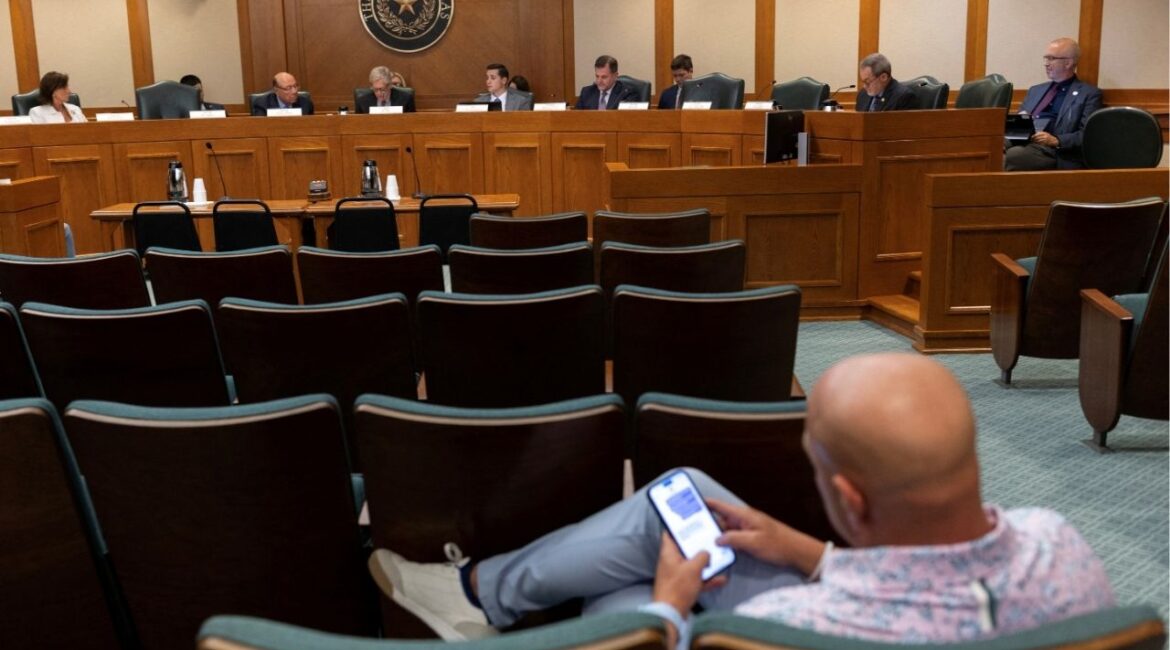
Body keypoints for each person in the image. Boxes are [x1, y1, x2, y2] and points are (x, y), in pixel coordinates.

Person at [375, 353, 1114, 646]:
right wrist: (815, 554)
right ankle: (483, 590)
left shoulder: (783, 629)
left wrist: (666, 610)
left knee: (621, 605)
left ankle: (479, 594)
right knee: (683, 495)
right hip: (880, 593)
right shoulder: (1062, 543)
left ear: (850, 500)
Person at [1004, 37, 1103, 171]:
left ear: (1068, 63)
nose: (1046, 63)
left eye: (1051, 58)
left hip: (1053, 150)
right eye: (1046, 58)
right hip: (1024, 139)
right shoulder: (1036, 90)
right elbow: (1018, 120)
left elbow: (1087, 134)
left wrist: (1056, 140)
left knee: (1012, 156)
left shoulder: (1089, 94)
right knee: (986, 146)